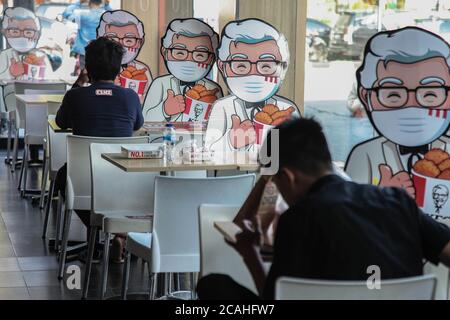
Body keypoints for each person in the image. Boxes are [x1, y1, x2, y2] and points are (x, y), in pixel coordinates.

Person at [197, 118, 450, 300]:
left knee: (213, 286)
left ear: (288, 177)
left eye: (275, 181)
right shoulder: (398, 201)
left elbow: (274, 300)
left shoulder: (298, 218)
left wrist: (249, 254)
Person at [55, 37, 143, 262]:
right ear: (118, 69)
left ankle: (97, 232)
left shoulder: (75, 96)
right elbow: (137, 126)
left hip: (83, 180)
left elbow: (60, 122)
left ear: (88, 68)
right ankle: (119, 231)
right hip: (124, 178)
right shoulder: (130, 97)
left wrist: (79, 83)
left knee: (63, 177)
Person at [345, 27, 450, 196]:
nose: (412, 105)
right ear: (367, 97)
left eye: (430, 93)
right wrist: (379, 195)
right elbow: (349, 212)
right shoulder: (364, 156)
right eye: (394, 94)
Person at [204, 19, 301, 158]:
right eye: (241, 65)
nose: (253, 73)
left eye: (266, 66)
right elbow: (208, 151)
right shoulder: (222, 107)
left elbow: (302, 153)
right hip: (233, 177)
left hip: (275, 177)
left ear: (283, 67)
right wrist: (231, 142)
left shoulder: (287, 110)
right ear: (222, 66)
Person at [142, 18, 223, 122]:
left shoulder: (213, 89)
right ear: (165, 52)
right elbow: (145, 119)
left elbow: (220, 123)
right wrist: (164, 110)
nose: (189, 60)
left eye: (200, 55)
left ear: (212, 58)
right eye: (180, 53)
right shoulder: (160, 84)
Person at [97, 10, 152, 103]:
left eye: (129, 40)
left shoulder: (142, 70)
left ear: (140, 42)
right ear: (99, 40)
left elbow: (150, 102)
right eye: (112, 40)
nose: (120, 46)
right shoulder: (96, 69)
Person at [67, 0, 107, 75]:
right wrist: (107, 4)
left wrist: (78, 2)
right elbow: (116, 15)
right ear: (101, 3)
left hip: (84, 51)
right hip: (101, 51)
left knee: (85, 75)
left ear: (89, 3)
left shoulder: (82, 15)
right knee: (99, 75)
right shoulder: (105, 16)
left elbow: (67, 14)